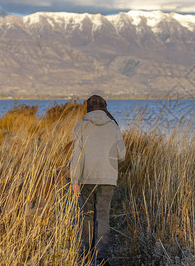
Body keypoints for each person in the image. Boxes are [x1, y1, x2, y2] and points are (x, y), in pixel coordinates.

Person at [70, 95, 126, 264]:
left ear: (88, 108)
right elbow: (122, 155)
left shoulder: (80, 126)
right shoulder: (113, 127)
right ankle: (102, 258)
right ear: (104, 108)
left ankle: (86, 255)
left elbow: (76, 155)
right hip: (108, 178)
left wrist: (74, 179)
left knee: (87, 216)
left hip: (86, 177)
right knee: (103, 217)